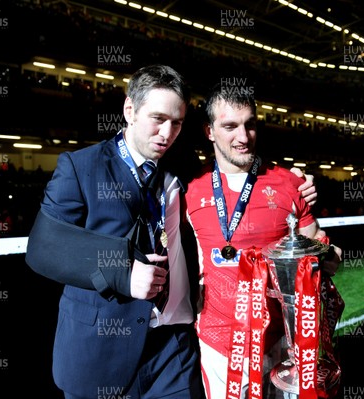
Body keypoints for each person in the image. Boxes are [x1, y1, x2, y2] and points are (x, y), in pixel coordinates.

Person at [25, 65, 318, 399]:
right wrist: (121, 271)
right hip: (103, 349)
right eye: (157, 118)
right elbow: (42, 247)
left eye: (177, 122)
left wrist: (294, 180)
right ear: (129, 110)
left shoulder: (181, 164)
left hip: (173, 351)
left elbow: (237, 162)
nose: (167, 133)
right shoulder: (81, 166)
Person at [184, 84, 343, 399]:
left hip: (282, 343)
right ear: (210, 131)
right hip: (218, 346)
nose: (243, 137)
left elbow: (320, 250)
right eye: (230, 126)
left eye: (250, 124)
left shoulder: (288, 183)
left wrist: (329, 256)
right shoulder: (190, 190)